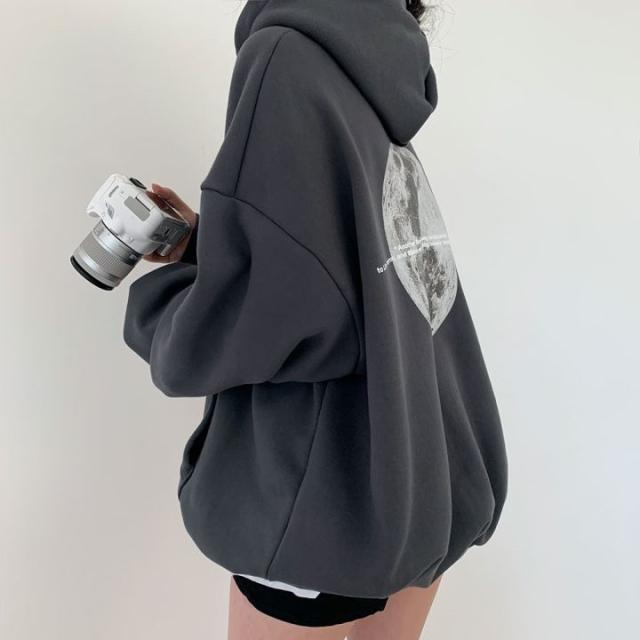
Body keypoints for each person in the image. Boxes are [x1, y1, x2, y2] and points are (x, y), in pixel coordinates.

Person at [122, 0, 509, 637]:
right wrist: (210, 244)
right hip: (423, 469)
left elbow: (261, 317)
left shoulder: (285, 54)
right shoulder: (378, 68)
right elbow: (356, 263)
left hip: (320, 500)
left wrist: (155, 309)